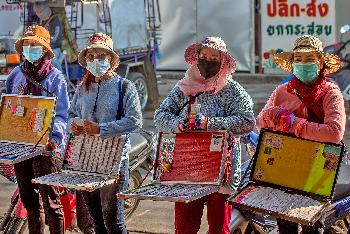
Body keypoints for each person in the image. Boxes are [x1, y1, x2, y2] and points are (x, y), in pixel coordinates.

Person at [154, 36, 255, 234]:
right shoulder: (183, 88)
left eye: (213, 57)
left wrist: (210, 123)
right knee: (184, 227)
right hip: (186, 169)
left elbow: (247, 121)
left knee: (219, 228)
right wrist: (178, 124)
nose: (207, 61)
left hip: (220, 173)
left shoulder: (233, 91)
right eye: (204, 56)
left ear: (223, 61)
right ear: (196, 57)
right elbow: (160, 116)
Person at [256, 35, 346, 233]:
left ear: (320, 63)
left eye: (309, 59)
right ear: (292, 63)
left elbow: (334, 133)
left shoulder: (330, 93)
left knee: (312, 225)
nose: (303, 64)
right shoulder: (281, 92)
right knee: (285, 224)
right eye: (298, 59)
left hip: (317, 170)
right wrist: (270, 116)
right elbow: (260, 124)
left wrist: (294, 124)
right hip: (284, 168)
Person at [69, 33, 142, 234]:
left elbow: (135, 121)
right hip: (86, 159)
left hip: (115, 161)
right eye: (91, 55)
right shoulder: (83, 86)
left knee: (114, 223)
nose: (96, 59)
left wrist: (101, 129)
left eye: (102, 55)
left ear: (111, 59)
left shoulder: (125, 86)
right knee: (96, 221)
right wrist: (73, 125)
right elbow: (71, 114)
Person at [5, 25, 69, 234]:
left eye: (35, 44)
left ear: (44, 49)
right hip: (20, 146)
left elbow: (61, 114)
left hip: (45, 147)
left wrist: (56, 138)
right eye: (27, 44)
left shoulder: (55, 77)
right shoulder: (15, 75)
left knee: (51, 202)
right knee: (29, 201)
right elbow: (7, 107)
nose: (30, 47)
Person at [33, 2, 63, 71]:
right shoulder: (39, 21)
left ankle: (61, 77)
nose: (38, 14)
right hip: (41, 48)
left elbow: (55, 37)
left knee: (51, 60)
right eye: (37, 12)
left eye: (40, 12)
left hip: (54, 48)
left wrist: (45, 43)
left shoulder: (55, 20)